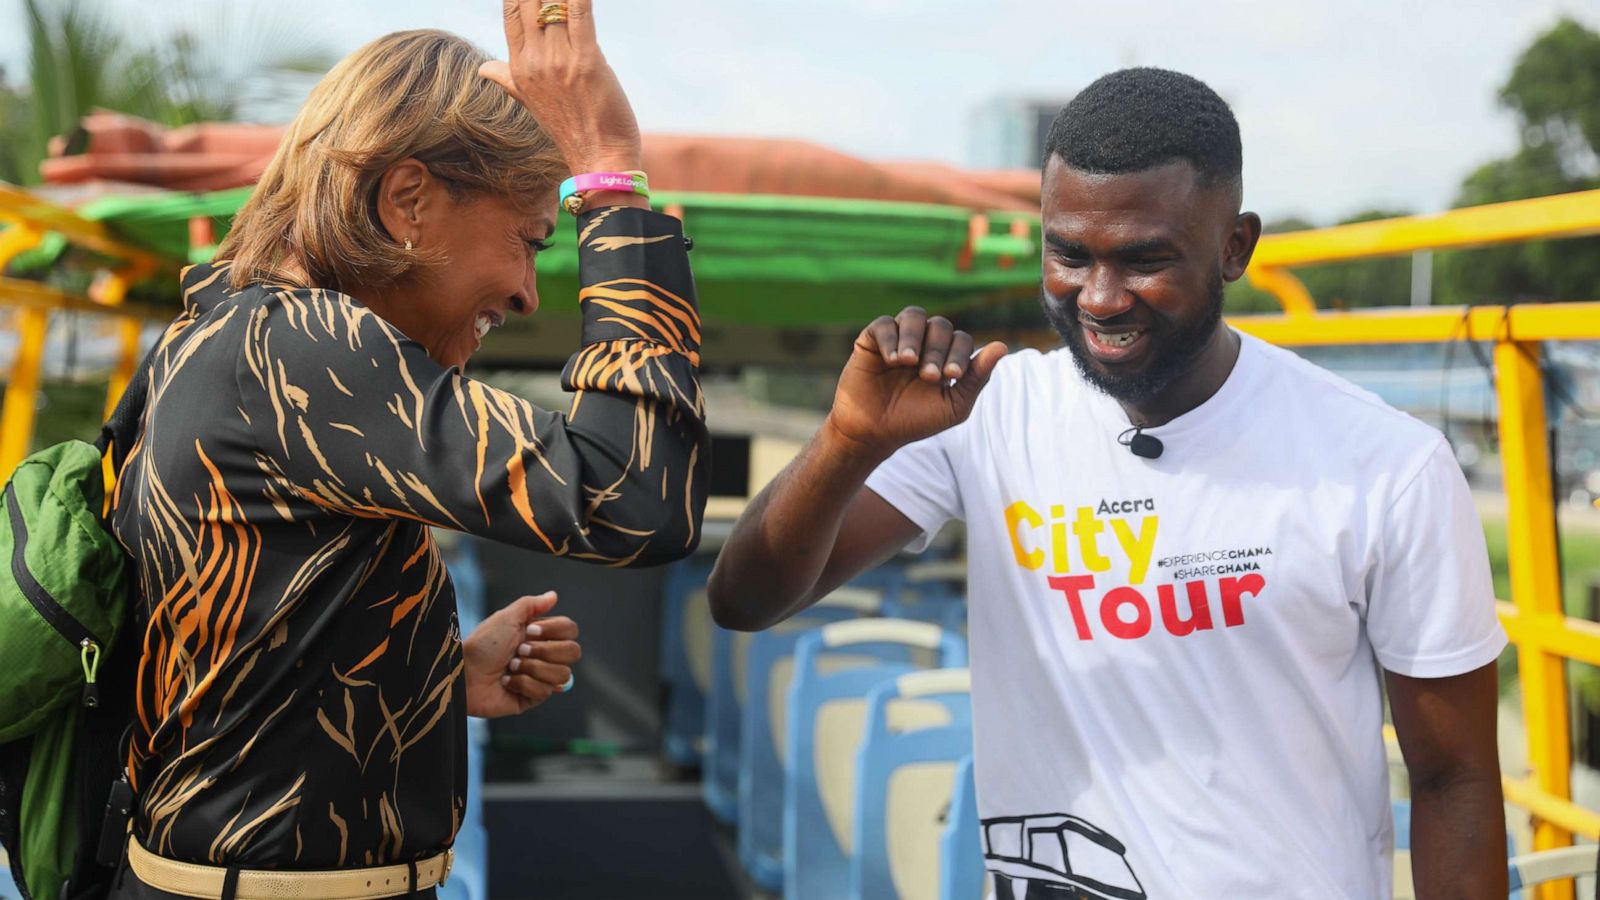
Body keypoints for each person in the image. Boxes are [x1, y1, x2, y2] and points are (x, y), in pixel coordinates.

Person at [709, 67, 1507, 898]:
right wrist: (847, 440)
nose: (1099, 297)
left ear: (1235, 247)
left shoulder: (1388, 463)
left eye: (1143, 259)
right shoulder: (986, 412)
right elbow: (745, 600)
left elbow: (1455, 780)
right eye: (1069, 254)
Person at [106, 2, 708, 897]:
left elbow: (240, 660)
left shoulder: (228, 336)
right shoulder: (297, 351)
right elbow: (632, 493)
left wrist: (426, 678)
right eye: (529, 241)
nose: (527, 294)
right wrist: (609, 180)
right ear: (408, 201)